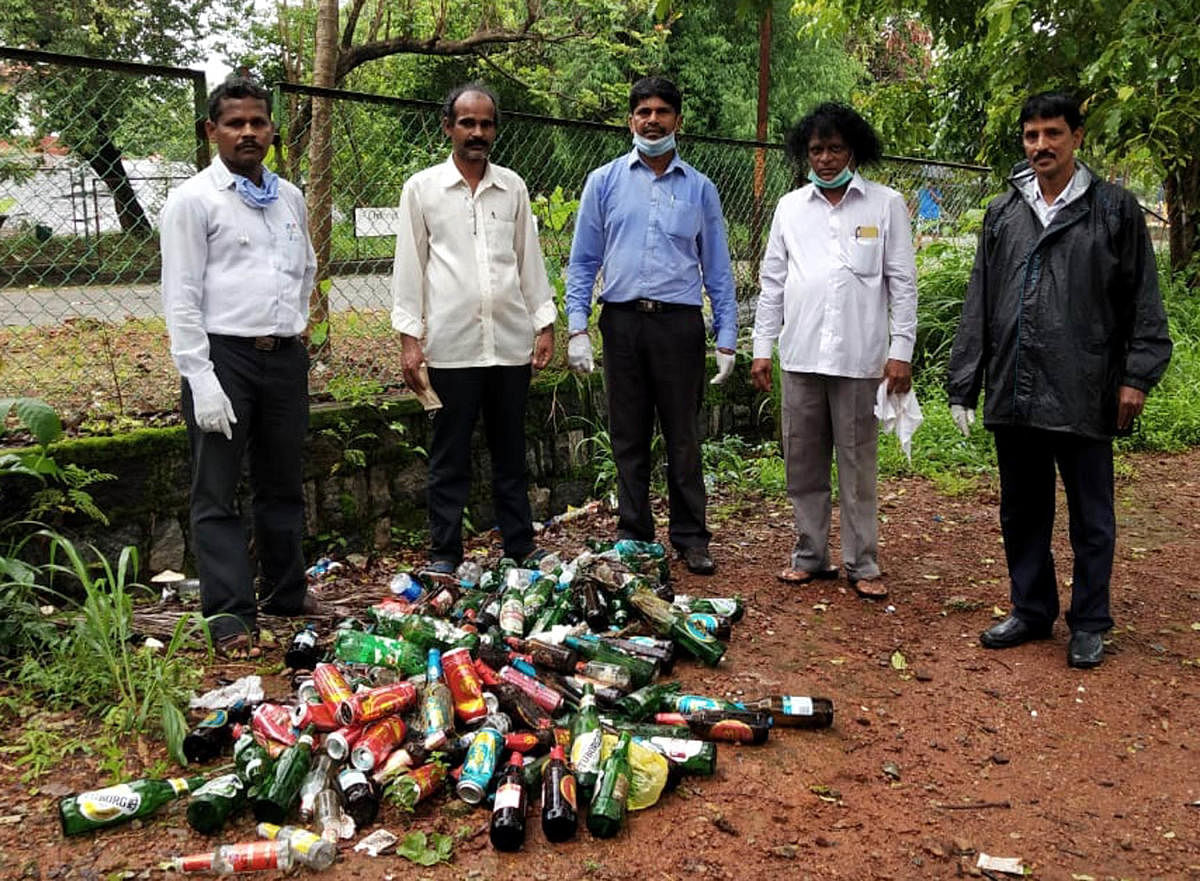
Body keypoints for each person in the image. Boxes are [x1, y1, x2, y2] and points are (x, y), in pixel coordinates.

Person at [947, 91, 1172, 669]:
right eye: (1031, 136)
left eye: (1052, 133)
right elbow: (981, 300)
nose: (1041, 145)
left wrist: (1136, 377)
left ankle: (1090, 620)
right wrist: (965, 380)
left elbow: (1143, 303)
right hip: (1014, 388)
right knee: (1022, 508)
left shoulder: (1116, 210)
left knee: (1091, 514)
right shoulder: (1003, 212)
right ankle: (1031, 608)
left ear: (1076, 136)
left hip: (1085, 384)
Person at [160, 77, 318, 659]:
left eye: (258, 122)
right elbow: (180, 295)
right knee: (217, 490)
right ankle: (229, 615)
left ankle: (285, 594)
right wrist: (199, 377)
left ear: (273, 129)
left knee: (281, 482)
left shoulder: (289, 198)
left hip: (282, 359)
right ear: (212, 132)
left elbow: (305, 268)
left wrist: (293, 329)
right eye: (235, 124)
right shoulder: (194, 200)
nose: (248, 132)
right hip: (222, 358)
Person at [565, 76, 737, 576]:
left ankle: (690, 536)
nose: (653, 120)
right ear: (630, 120)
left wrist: (726, 336)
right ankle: (634, 535)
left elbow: (719, 269)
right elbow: (582, 262)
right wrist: (578, 327)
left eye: (663, 111)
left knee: (683, 436)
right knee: (628, 436)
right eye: (643, 111)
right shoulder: (604, 182)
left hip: (679, 326)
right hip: (621, 323)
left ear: (677, 120)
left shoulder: (700, 189)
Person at [750, 102, 917, 600]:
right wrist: (762, 348)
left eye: (836, 148)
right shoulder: (789, 207)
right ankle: (809, 556)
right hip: (799, 355)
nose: (825, 158)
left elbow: (903, 283)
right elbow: (772, 282)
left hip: (861, 359)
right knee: (802, 462)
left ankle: (863, 564)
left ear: (854, 151)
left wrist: (901, 350)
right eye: (817, 149)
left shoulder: (885, 205)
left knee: (858, 464)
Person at [390, 82, 556, 573]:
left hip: (507, 345)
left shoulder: (513, 188)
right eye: (467, 123)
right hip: (451, 348)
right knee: (449, 458)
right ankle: (444, 554)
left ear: (494, 130)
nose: (477, 132)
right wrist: (409, 340)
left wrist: (543, 324)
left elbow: (529, 261)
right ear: (448, 127)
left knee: (511, 453)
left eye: (485, 124)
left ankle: (520, 546)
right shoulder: (422, 189)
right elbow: (409, 267)